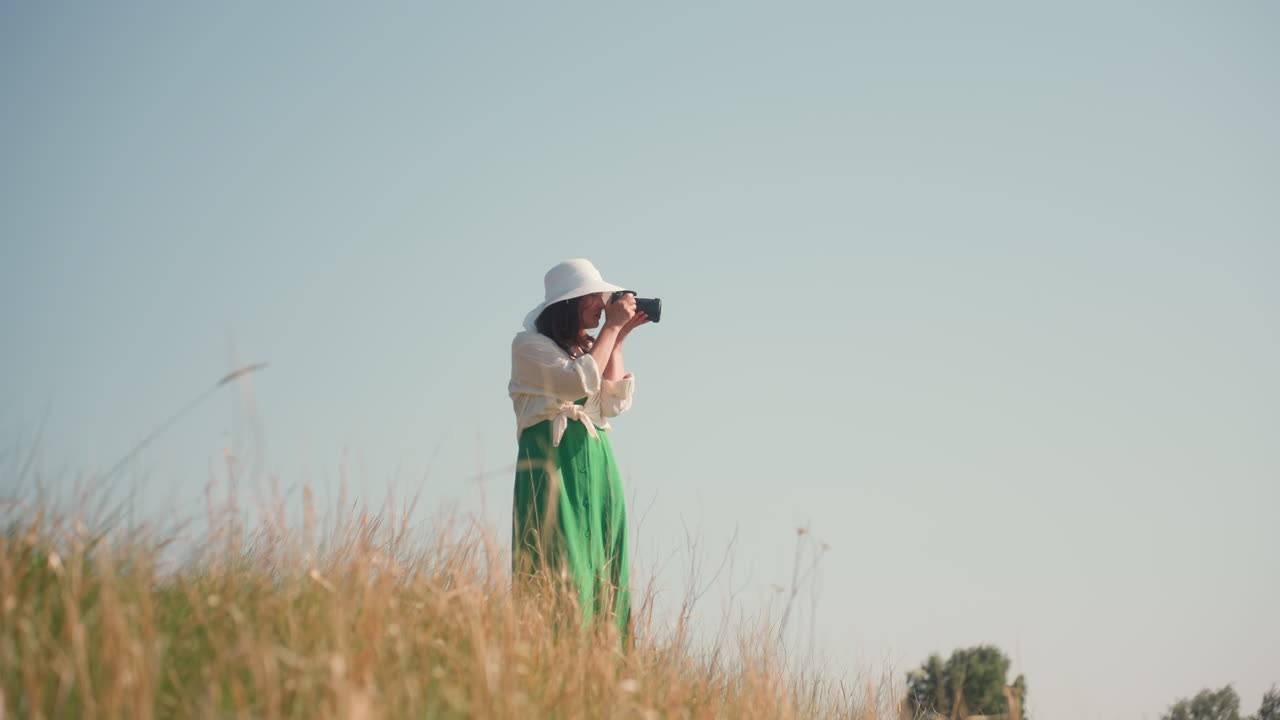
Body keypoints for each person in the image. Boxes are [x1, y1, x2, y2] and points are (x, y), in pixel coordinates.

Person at [509, 259, 649, 636]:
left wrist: (616, 339)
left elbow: (612, 404)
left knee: (605, 558)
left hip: (596, 455)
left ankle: (606, 662)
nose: (602, 305)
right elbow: (575, 385)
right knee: (558, 556)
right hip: (553, 458)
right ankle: (552, 651)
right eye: (592, 297)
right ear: (568, 303)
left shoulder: (586, 347)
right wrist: (612, 328)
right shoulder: (528, 346)